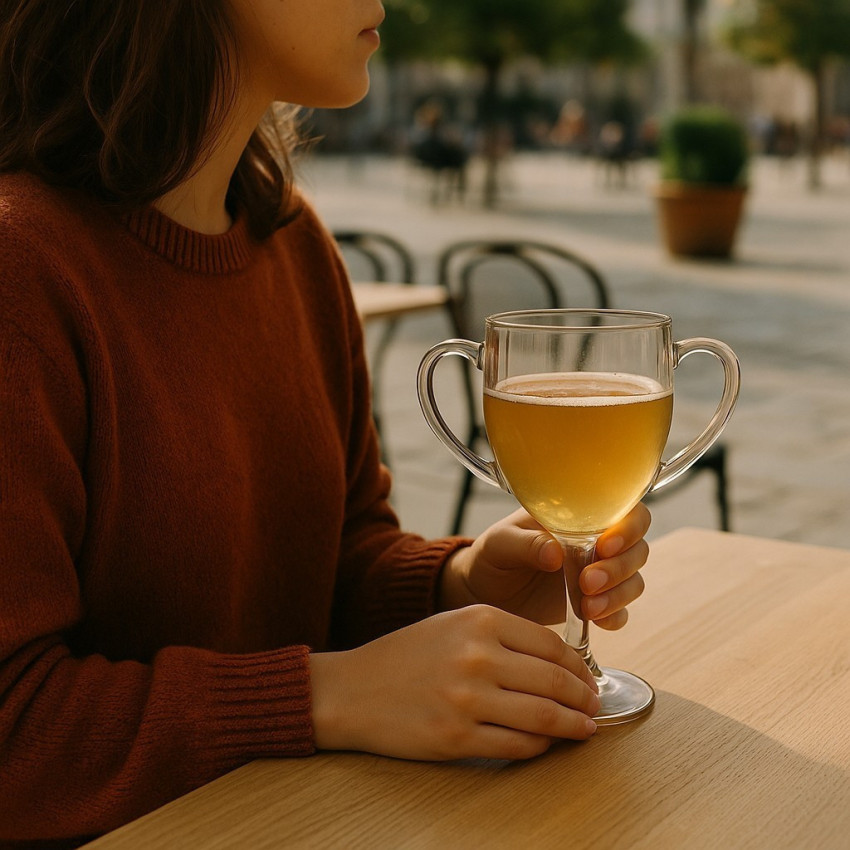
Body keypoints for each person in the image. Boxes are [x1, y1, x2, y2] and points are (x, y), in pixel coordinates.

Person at [0, 1, 651, 845]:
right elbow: (17, 728)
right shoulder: (25, 272)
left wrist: (462, 584)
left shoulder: (294, 243)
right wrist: (327, 697)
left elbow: (337, 562)